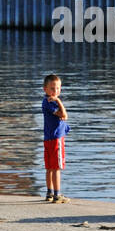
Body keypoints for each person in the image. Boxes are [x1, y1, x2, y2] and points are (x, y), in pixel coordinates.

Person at [41, 74, 69, 203]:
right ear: (45, 89)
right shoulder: (50, 102)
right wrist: (59, 101)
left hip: (48, 138)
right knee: (56, 168)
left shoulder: (46, 101)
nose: (55, 91)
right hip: (56, 138)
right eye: (52, 88)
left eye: (58, 88)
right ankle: (57, 194)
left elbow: (61, 116)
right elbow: (64, 115)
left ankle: (49, 193)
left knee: (50, 168)